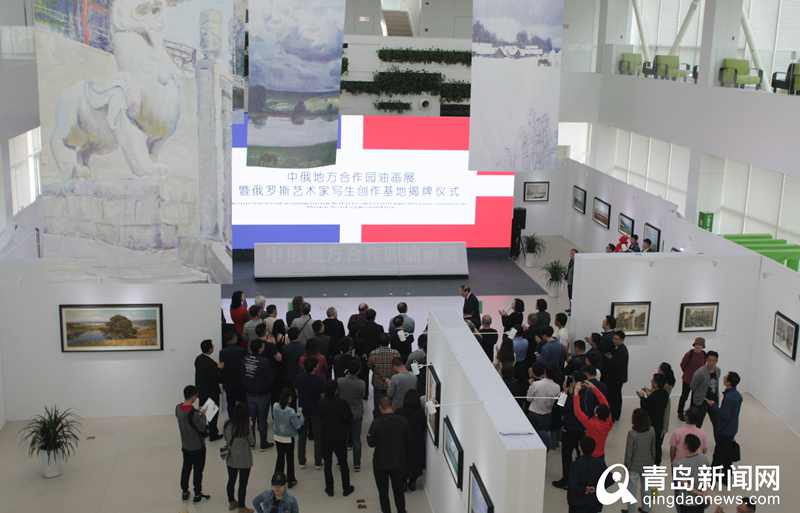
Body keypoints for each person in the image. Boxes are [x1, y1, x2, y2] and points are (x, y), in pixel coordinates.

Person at [367, 397, 409, 513]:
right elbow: (408, 441)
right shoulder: (403, 421)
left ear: (380, 408)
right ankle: (401, 510)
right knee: (399, 491)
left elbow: (371, 443)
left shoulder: (376, 423)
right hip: (398, 462)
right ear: (392, 406)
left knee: (383, 493)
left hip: (380, 463)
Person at [319, 381, 355, 497]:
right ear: (336, 390)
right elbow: (349, 418)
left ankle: (329, 489)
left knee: (327, 464)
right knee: (343, 463)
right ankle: (346, 488)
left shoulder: (321, 403)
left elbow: (319, 419)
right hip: (340, 437)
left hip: (326, 437)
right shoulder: (342, 403)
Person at [176, 385, 210, 503]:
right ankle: (197, 493)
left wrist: (197, 413)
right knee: (198, 470)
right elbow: (202, 427)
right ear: (193, 396)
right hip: (197, 447)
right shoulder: (194, 413)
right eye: (196, 395)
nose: (197, 397)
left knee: (186, 468)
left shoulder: (178, 408)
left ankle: (185, 491)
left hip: (185, 446)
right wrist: (203, 415)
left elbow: (186, 418)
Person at [553, 375, 586, 490]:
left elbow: (560, 407)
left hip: (569, 429)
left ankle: (566, 480)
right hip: (581, 429)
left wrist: (564, 392)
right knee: (580, 454)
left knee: (567, 455)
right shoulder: (586, 394)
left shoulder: (571, 397)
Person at [709, 371, 743, 478]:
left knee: (718, 455)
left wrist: (714, 406)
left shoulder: (729, 397)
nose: (723, 377)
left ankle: (713, 477)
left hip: (724, 431)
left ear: (728, 382)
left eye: (726, 377)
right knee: (727, 455)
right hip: (732, 429)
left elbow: (725, 415)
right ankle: (726, 477)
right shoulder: (737, 395)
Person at [224, 402, 256, 513]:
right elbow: (252, 442)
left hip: (231, 457)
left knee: (231, 480)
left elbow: (226, 439)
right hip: (244, 459)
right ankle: (242, 507)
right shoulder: (246, 426)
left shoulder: (227, 424)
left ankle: (231, 501)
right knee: (242, 484)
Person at [243, 338, 274, 450]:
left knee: (251, 419)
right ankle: (263, 443)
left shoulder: (245, 359)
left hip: (249, 393)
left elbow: (243, 374)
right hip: (263, 394)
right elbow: (270, 378)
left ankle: (252, 442)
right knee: (262, 419)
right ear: (260, 348)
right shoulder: (264, 361)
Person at [623, 408, 656, 513]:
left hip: (634, 466)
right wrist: (653, 461)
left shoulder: (632, 434)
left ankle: (631, 510)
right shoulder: (651, 430)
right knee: (646, 488)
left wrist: (626, 465)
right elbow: (653, 448)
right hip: (648, 463)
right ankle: (646, 509)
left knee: (631, 490)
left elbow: (629, 452)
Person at [295, 357, 324, 469]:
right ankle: (318, 462)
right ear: (315, 367)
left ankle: (301, 461)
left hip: (302, 408)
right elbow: (322, 395)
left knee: (302, 435)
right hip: (316, 409)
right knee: (318, 436)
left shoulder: (299, 377)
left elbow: (296, 391)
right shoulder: (319, 379)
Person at [337, 359, 366, 471]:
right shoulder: (361, 383)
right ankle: (357, 464)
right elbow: (362, 395)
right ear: (358, 370)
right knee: (356, 439)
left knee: (342, 439)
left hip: (343, 413)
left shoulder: (340, 381)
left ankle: (341, 461)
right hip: (357, 413)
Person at [572, 381, 613, 461]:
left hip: (590, 454)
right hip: (600, 454)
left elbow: (577, 412)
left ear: (596, 414)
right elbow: (604, 401)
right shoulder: (608, 421)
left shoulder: (592, 424)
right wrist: (593, 388)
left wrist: (576, 392)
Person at [272, 389, 304, 488]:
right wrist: (300, 416)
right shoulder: (290, 411)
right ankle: (291, 480)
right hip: (288, 438)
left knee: (280, 458)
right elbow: (298, 425)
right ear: (289, 398)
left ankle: (277, 479)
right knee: (290, 459)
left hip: (277, 436)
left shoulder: (275, 406)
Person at [396, 389, 426, 491]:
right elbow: (423, 427)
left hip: (402, 442)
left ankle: (403, 482)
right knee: (415, 463)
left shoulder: (399, 412)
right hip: (416, 443)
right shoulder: (420, 413)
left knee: (403, 462)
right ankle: (412, 482)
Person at [567, 437, 606, 513]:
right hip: (594, 502)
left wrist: (585, 489)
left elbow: (572, 484)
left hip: (577, 502)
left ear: (580, 448)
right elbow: (610, 479)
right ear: (594, 448)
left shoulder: (575, 465)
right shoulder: (600, 463)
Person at [638, 373, 670, 464]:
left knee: (650, 445)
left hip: (651, 423)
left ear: (655, 384)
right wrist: (649, 392)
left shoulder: (654, 396)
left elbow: (645, 407)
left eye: (652, 380)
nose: (651, 381)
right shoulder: (665, 394)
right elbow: (654, 399)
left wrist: (642, 397)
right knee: (658, 445)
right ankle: (657, 463)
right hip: (660, 423)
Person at [526, 363, 561, 449]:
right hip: (547, 415)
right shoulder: (557, 387)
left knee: (532, 436)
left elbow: (528, 399)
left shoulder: (536, 384)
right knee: (544, 438)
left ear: (545, 372)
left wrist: (530, 385)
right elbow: (558, 403)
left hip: (533, 413)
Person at [673, 434, 708, 513]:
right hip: (700, 500)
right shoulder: (704, 458)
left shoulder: (679, 464)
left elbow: (685, 485)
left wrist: (699, 493)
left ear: (685, 446)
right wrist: (703, 493)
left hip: (686, 501)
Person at [195, 339, 222, 441]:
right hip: (211, 391)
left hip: (201, 390)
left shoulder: (198, 359)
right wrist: (219, 368)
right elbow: (216, 377)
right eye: (212, 346)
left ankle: (204, 430)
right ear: (210, 349)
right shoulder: (211, 363)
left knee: (204, 412)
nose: (214, 347)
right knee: (212, 414)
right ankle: (213, 434)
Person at [368, 335, 401, 416]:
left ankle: (377, 420)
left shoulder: (373, 353)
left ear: (379, 342)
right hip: (391, 383)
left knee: (377, 405)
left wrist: (377, 372)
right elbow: (398, 366)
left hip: (378, 383)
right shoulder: (395, 353)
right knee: (391, 405)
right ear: (389, 342)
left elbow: (370, 366)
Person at [220, 325, 247, 421]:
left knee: (230, 403)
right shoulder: (241, 350)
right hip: (240, 381)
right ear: (234, 339)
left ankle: (232, 420)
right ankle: (242, 420)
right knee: (243, 402)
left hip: (228, 382)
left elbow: (222, 367)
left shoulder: (222, 352)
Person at [602, 330, 629, 422]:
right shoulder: (615, 347)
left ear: (622, 340)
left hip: (618, 378)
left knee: (615, 397)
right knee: (614, 396)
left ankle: (615, 415)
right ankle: (613, 414)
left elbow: (617, 365)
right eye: (614, 338)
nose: (614, 340)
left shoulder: (623, 351)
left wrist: (610, 358)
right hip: (614, 377)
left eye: (616, 339)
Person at [690, 350, 720, 428]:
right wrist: (706, 399)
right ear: (706, 359)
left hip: (714, 401)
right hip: (701, 402)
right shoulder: (699, 372)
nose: (712, 362)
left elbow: (716, 386)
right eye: (710, 360)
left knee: (717, 422)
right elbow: (692, 387)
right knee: (698, 424)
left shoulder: (718, 370)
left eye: (714, 360)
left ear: (717, 361)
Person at [678, 338, 707, 421]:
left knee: (695, 398)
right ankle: (680, 413)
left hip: (698, 381)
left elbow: (704, 367)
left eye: (700, 345)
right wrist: (688, 373)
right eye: (697, 344)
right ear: (694, 345)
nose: (698, 346)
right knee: (684, 396)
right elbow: (682, 365)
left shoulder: (704, 355)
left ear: (703, 346)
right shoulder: (689, 354)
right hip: (687, 380)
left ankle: (691, 414)